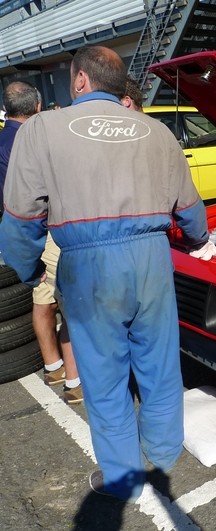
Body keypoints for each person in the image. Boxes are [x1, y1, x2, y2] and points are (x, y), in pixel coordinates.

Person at [0, 45, 216, 500]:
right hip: (152, 258)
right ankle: (164, 449)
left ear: (80, 81)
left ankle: (124, 480)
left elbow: (21, 217)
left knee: (104, 375)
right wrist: (199, 242)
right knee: (158, 361)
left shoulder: (41, 128)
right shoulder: (157, 131)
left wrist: (29, 269)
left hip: (88, 264)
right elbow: (191, 211)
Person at [0, 82, 83, 404]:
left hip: (16, 232)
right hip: (48, 228)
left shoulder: (3, 140)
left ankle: (52, 367)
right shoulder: (34, 140)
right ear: (37, 106)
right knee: (71, 305)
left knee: (41, 300)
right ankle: (75, 382)